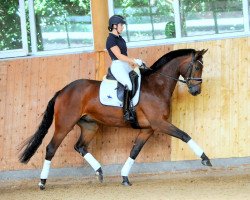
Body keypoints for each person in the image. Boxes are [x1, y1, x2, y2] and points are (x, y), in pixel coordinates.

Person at [106, 15, 145, 122]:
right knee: (128, 84)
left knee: (138, 78)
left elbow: (125, 55)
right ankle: (127, 112)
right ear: (114, 26)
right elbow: (119, 56)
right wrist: (134, 60)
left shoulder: (120, 38)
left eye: (122, 25)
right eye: (121, 25)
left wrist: (136, 63)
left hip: (125, 65)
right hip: (118, 65)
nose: (122, 27)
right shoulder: (110, 40)